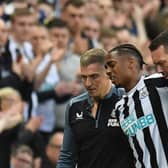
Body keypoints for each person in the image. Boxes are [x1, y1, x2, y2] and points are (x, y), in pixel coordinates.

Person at [57, 48, 134, 168]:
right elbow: (67, 157)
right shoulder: (74, 106)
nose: (88, 83)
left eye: (94, 77)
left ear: (108, 72)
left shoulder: (126, 100)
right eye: (84, 77)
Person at [105, 43, 168, 168]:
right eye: (106, 67)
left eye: (112, 65)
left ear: (130, 63)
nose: (107, 71)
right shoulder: (120, 108)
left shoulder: (159, 82)